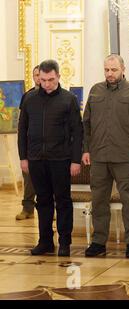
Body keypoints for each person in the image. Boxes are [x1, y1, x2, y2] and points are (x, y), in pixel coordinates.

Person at [82, 54, 129, 259]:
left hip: (126, 157)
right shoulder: (95, 91)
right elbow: (86, 124)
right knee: (99, 200)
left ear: (123, 69)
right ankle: (99, 242)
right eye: (107, 70)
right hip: (99, 156)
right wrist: (86, 149)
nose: (110, 74)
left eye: (114, 70)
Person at [17, 59, 83, 257]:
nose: (46, 84)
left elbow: (77, 131)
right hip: (36, 159)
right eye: (43, 80)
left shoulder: (68, 99)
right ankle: (45, 241)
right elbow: (22, 130)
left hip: (60, 159)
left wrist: (75, 160)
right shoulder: (29, 99)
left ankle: (64, 243)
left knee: (62, 201)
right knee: (43, 201)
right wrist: (23, 157)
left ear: (58, 77)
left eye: (51, 79)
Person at [16, 65, 40, 221]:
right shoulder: (27, 96)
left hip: (51, 147)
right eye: (36, 75)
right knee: (29, 179)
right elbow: (22, 122)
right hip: (31, 145)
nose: (38, 78)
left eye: (41, 75)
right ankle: (28, 209)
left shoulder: (60, 95)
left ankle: (50, 210)